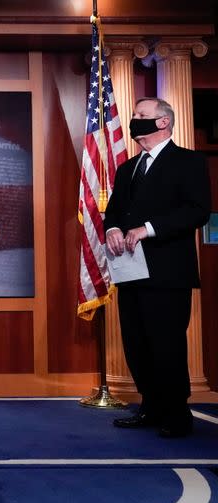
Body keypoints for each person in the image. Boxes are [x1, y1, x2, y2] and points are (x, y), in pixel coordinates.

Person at [105, 97, 211, 438]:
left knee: (166, 344)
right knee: (136, 343)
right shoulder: (127, 168)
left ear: (163, 122)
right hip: (130, 271)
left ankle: (177, 416)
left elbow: (197, 211)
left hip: (168, 273)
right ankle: (150, 407)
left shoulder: (189, 162)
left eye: (141, 116)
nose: (135, 120)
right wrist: (113, 229)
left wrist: (147, 228)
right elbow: (115, 212)